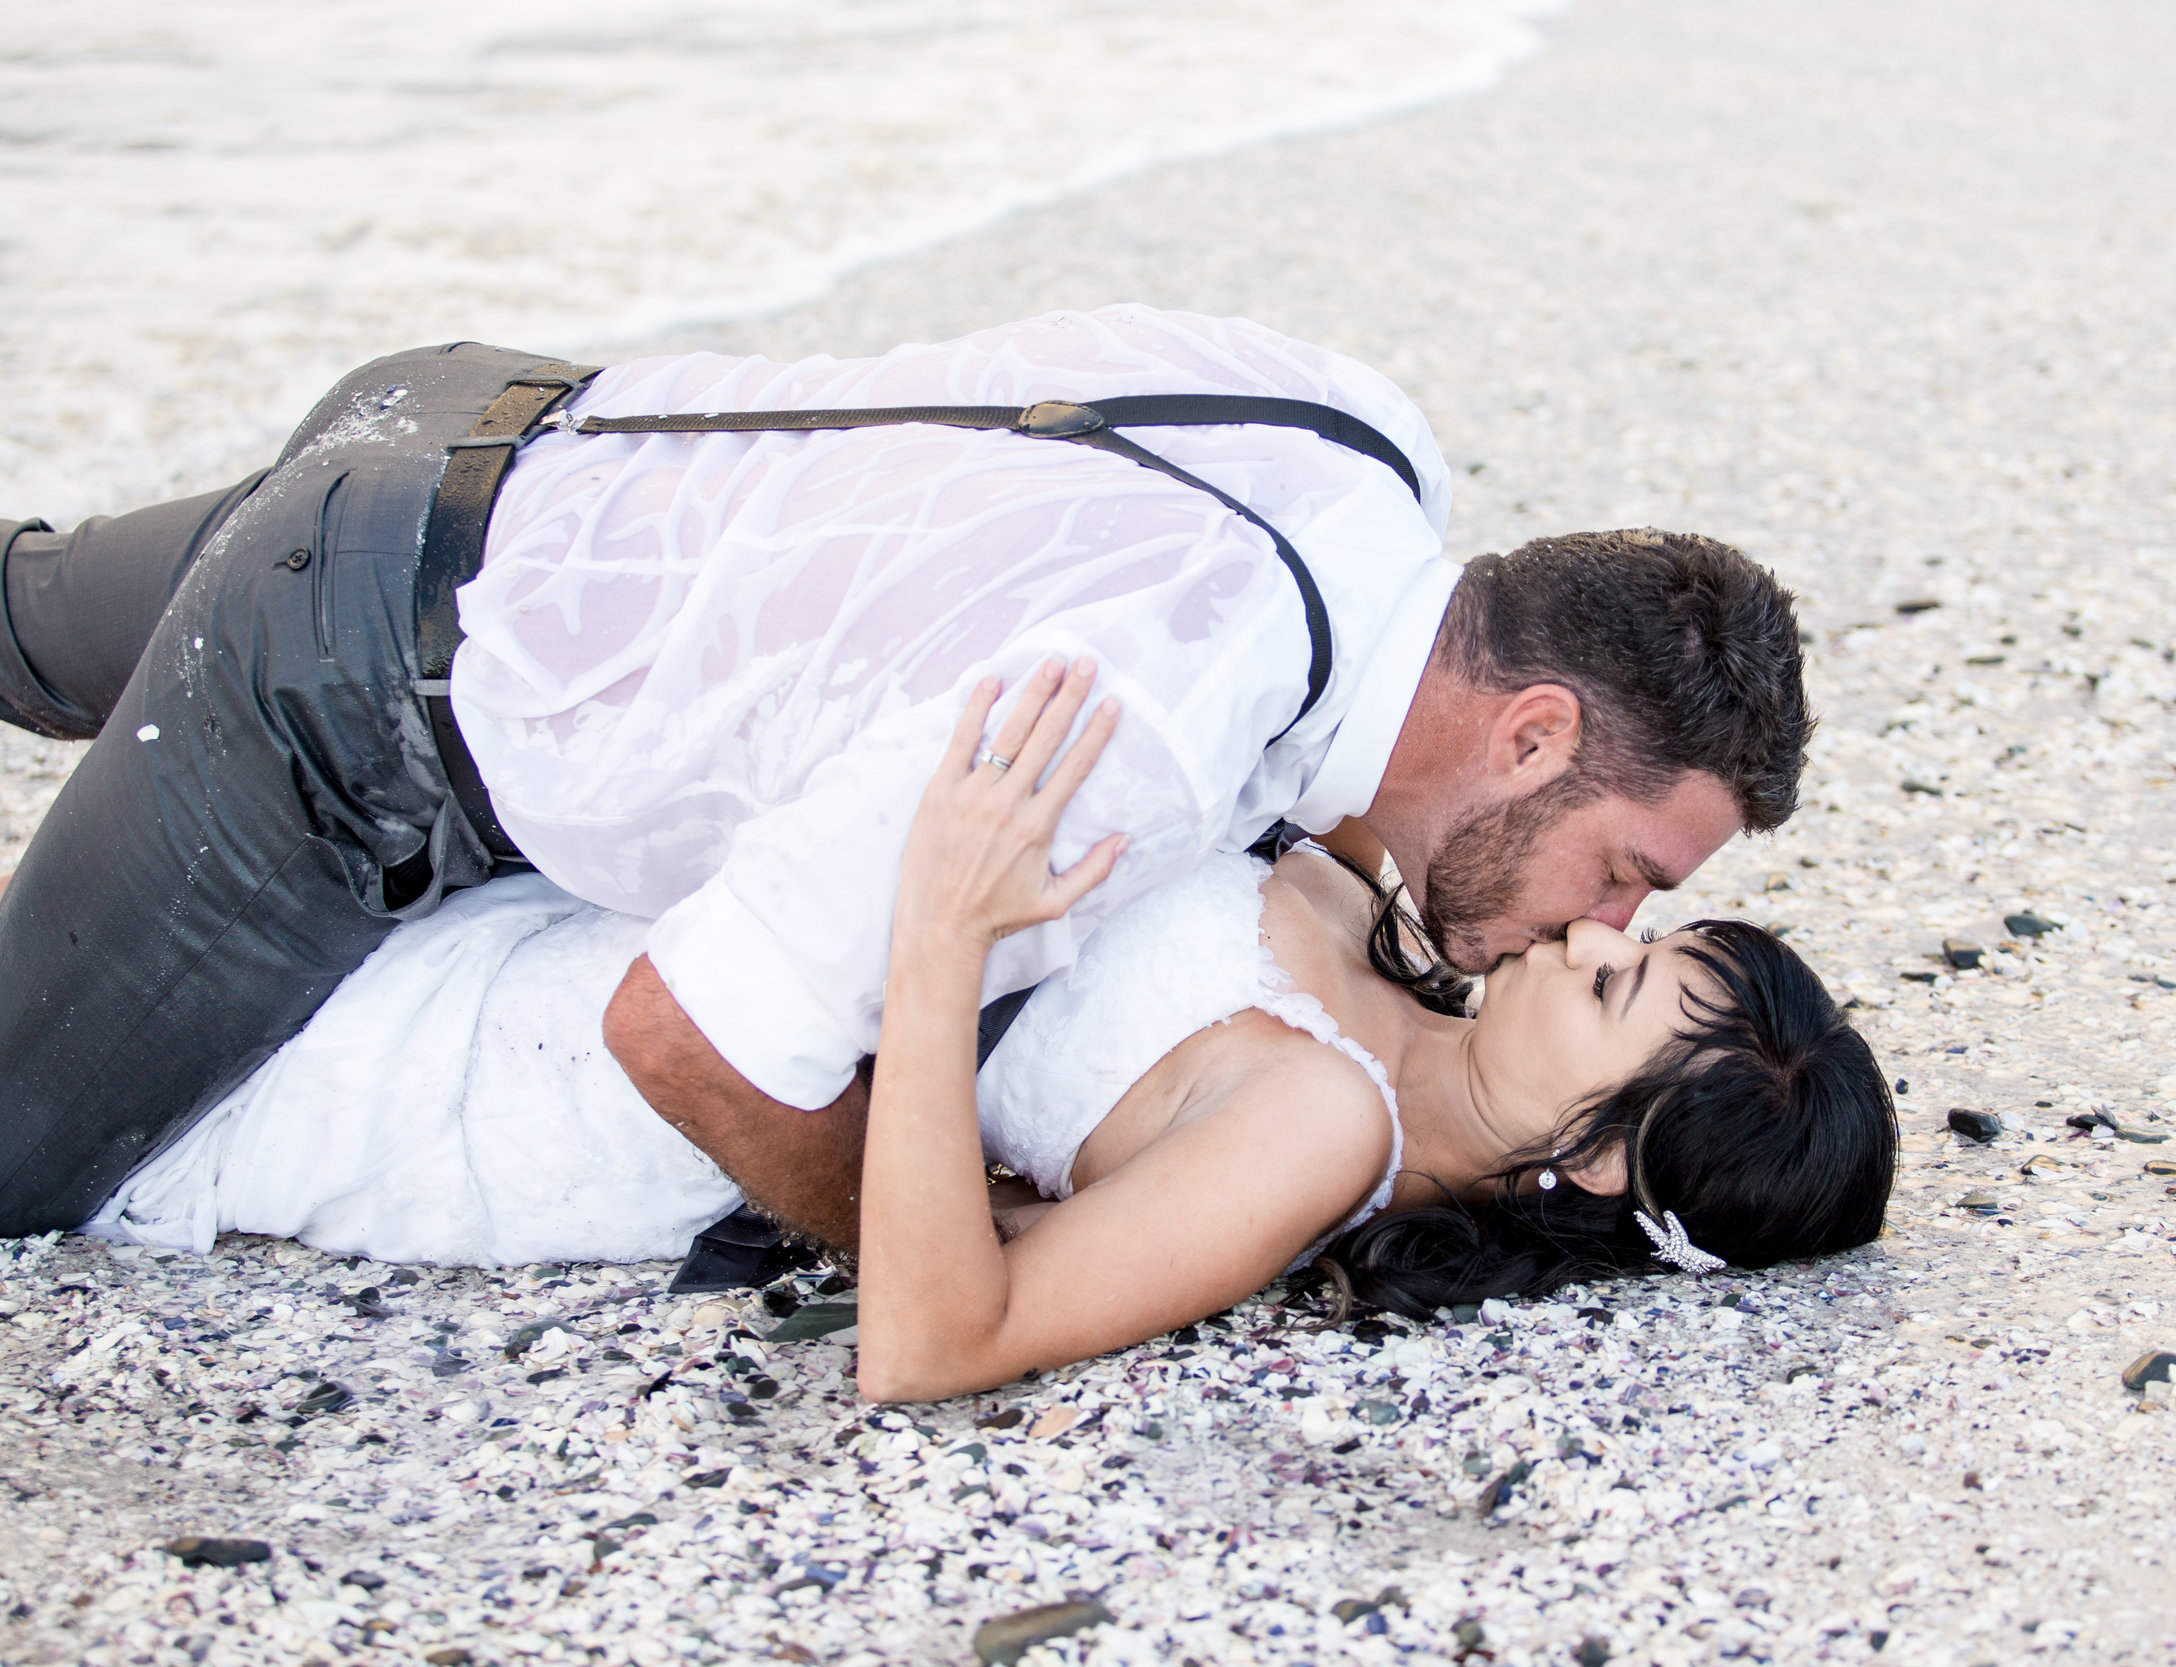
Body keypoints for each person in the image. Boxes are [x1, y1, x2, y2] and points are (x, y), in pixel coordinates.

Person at [1, 306, 1811, 1243]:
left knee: (18, 618)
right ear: (1539, 734)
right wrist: (954, 1216)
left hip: (494, 427)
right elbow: (684, 1039)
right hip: (348, 690)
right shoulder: (1149, 747)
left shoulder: (1366, 442)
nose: (1604, 923)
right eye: (1632, 874)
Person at [85, 664, 1895, 1402]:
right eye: (1632, 915)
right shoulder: (1387, 937)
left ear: (1597, 1156)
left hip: (560, 1099)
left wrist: (940, 936)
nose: (1594, 930)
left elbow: (942, 1341)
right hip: (608, 932)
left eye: (1617, 984)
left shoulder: (1318, 1133)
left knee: (94, 1106)